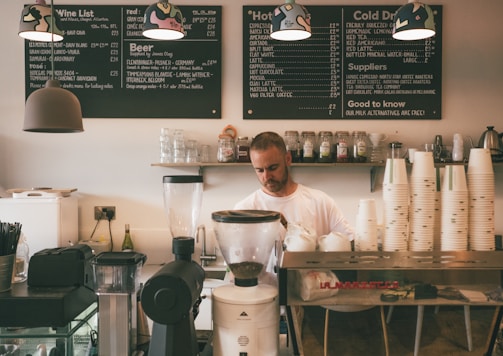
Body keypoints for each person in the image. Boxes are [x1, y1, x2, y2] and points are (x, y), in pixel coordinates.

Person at [234, 131, 356, 283]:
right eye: (259, 170)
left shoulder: (321, 202)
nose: (266, 177)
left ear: (288, 159)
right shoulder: (245, 210)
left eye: (272, 168)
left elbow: (350, 247)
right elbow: (236, 268)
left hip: (313, 299)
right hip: (266, 300)